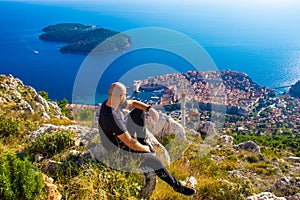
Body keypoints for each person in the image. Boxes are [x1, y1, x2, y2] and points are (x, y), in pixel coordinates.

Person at [98, 82, 196, 196]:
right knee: (155, 161)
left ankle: (142, 140)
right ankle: (177, 187)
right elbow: (130, 142)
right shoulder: (112, 118)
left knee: (139, 112)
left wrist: (150, 109)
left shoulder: (111, 102)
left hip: (119, 138)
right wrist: (145, 149)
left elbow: (134, 103)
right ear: (120, 96)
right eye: (125, 94)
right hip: (118, 151)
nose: (126, 96)